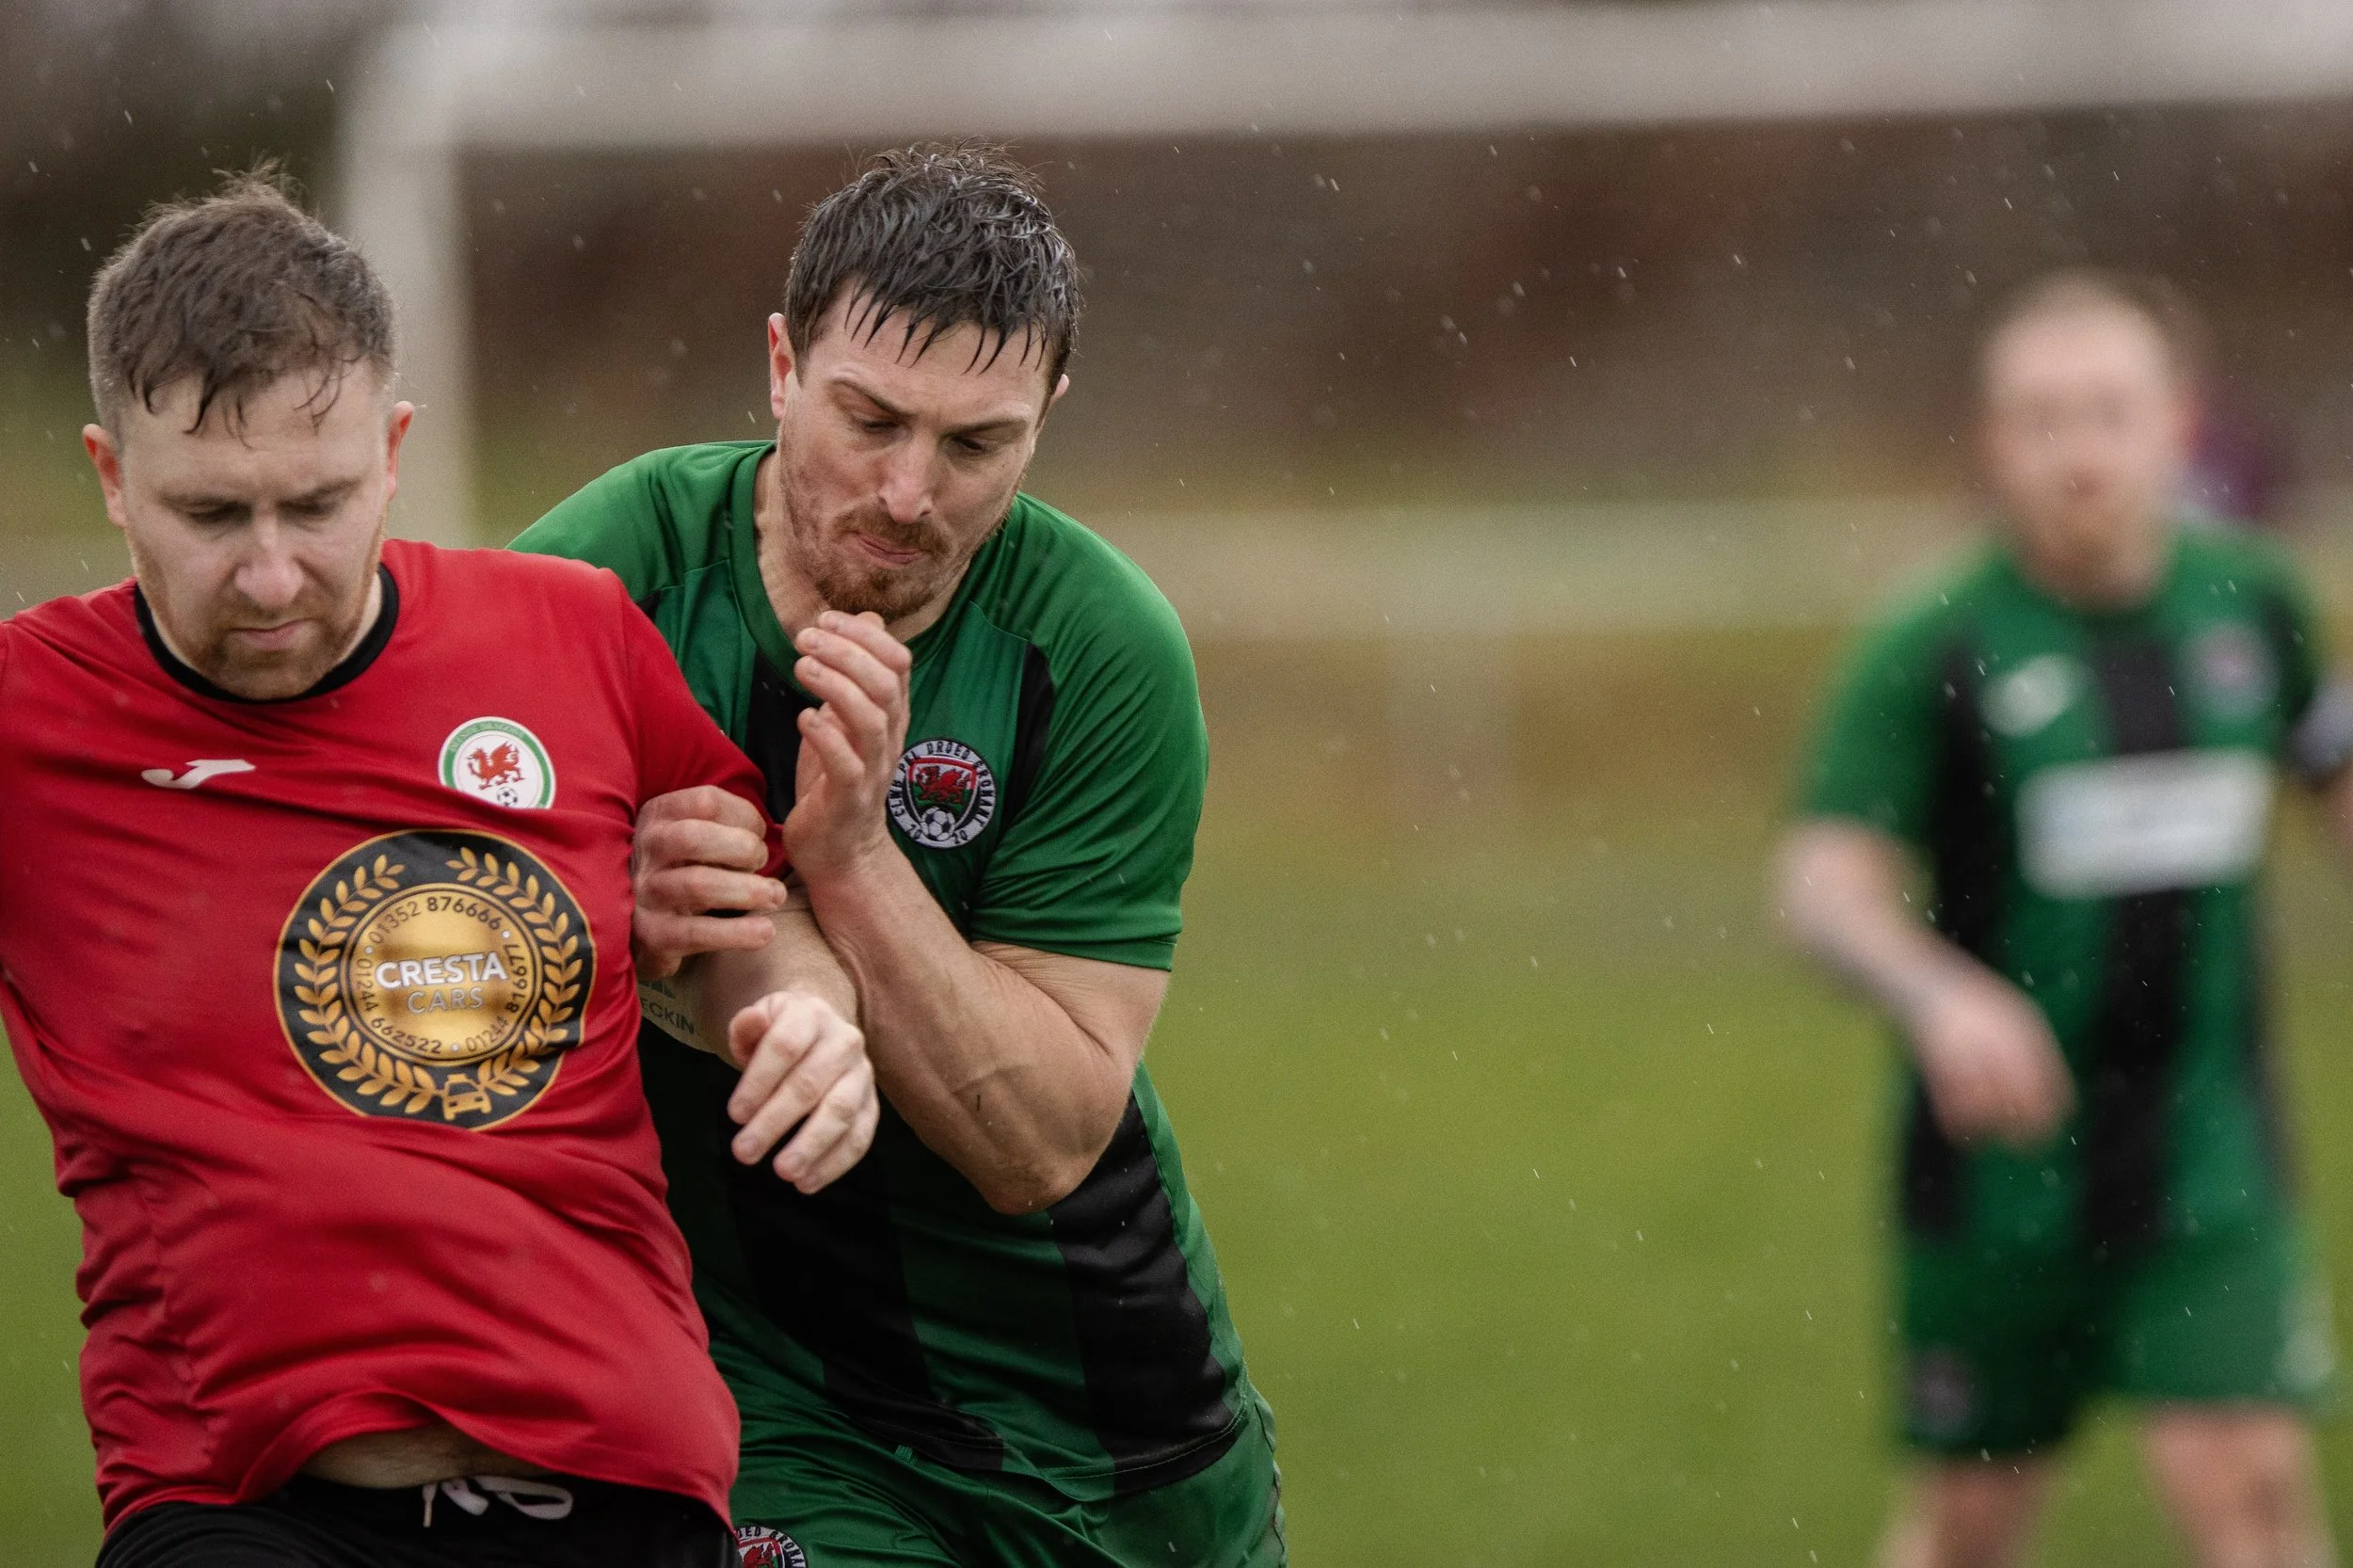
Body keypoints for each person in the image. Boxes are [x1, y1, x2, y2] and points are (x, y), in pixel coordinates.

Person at [7, 172, 877, 1568]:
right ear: (114, 478)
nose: (276, 572)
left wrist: (808, 1019)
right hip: (246, 1507)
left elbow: (743, 922)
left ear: (396, 451)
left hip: (619, 1475)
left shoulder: (574, 637)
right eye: (214, 516)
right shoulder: (28, 720)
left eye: (320, 501)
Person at [513, 143, 1283, 1568]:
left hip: (1116, 1421)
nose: (911, 492)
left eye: (977, 442)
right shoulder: (606, 578)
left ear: (1047, 416)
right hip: (774, 1396)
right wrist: (594, 910)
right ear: (782, 365)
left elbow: (1043, 1141)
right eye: (870, 418)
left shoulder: (1101, 651)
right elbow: (432, 917)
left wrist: (854, 859)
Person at [1776, 270, 2353, 1568]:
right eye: (2040, 419)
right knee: (1972, 1521)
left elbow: (2334, 779)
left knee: (2247, 1478)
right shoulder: (1930, 641)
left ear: (2177, 424)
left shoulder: (2256, 605)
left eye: (2107, 411)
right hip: (1997, 1165)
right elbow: (1820, 880)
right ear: (1993, 442)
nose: (2077, 449)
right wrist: (1937, 993)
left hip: (2212, 1148)